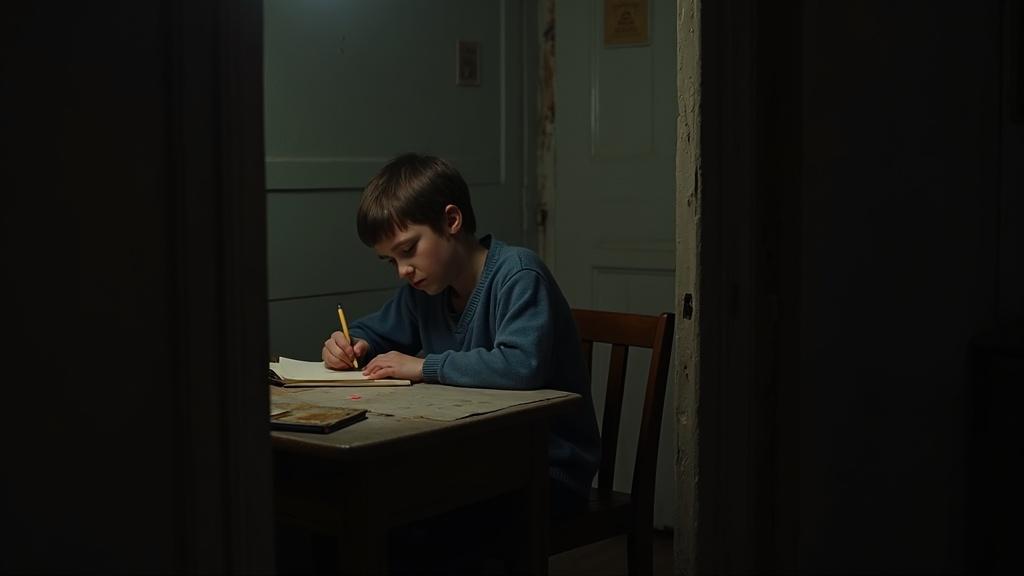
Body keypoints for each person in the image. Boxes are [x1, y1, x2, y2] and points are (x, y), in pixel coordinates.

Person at [321, 152, 600, 571]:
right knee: (365, 518)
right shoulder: (424, 292)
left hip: (546, 470)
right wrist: (351, 344)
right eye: (391, 260)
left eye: (408, 250)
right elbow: (374, 332)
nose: (402, 271)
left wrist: (423, 366)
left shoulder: (518, 274)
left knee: (416, 528)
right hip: (475, 464)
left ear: (451, 220)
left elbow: (520, 365)